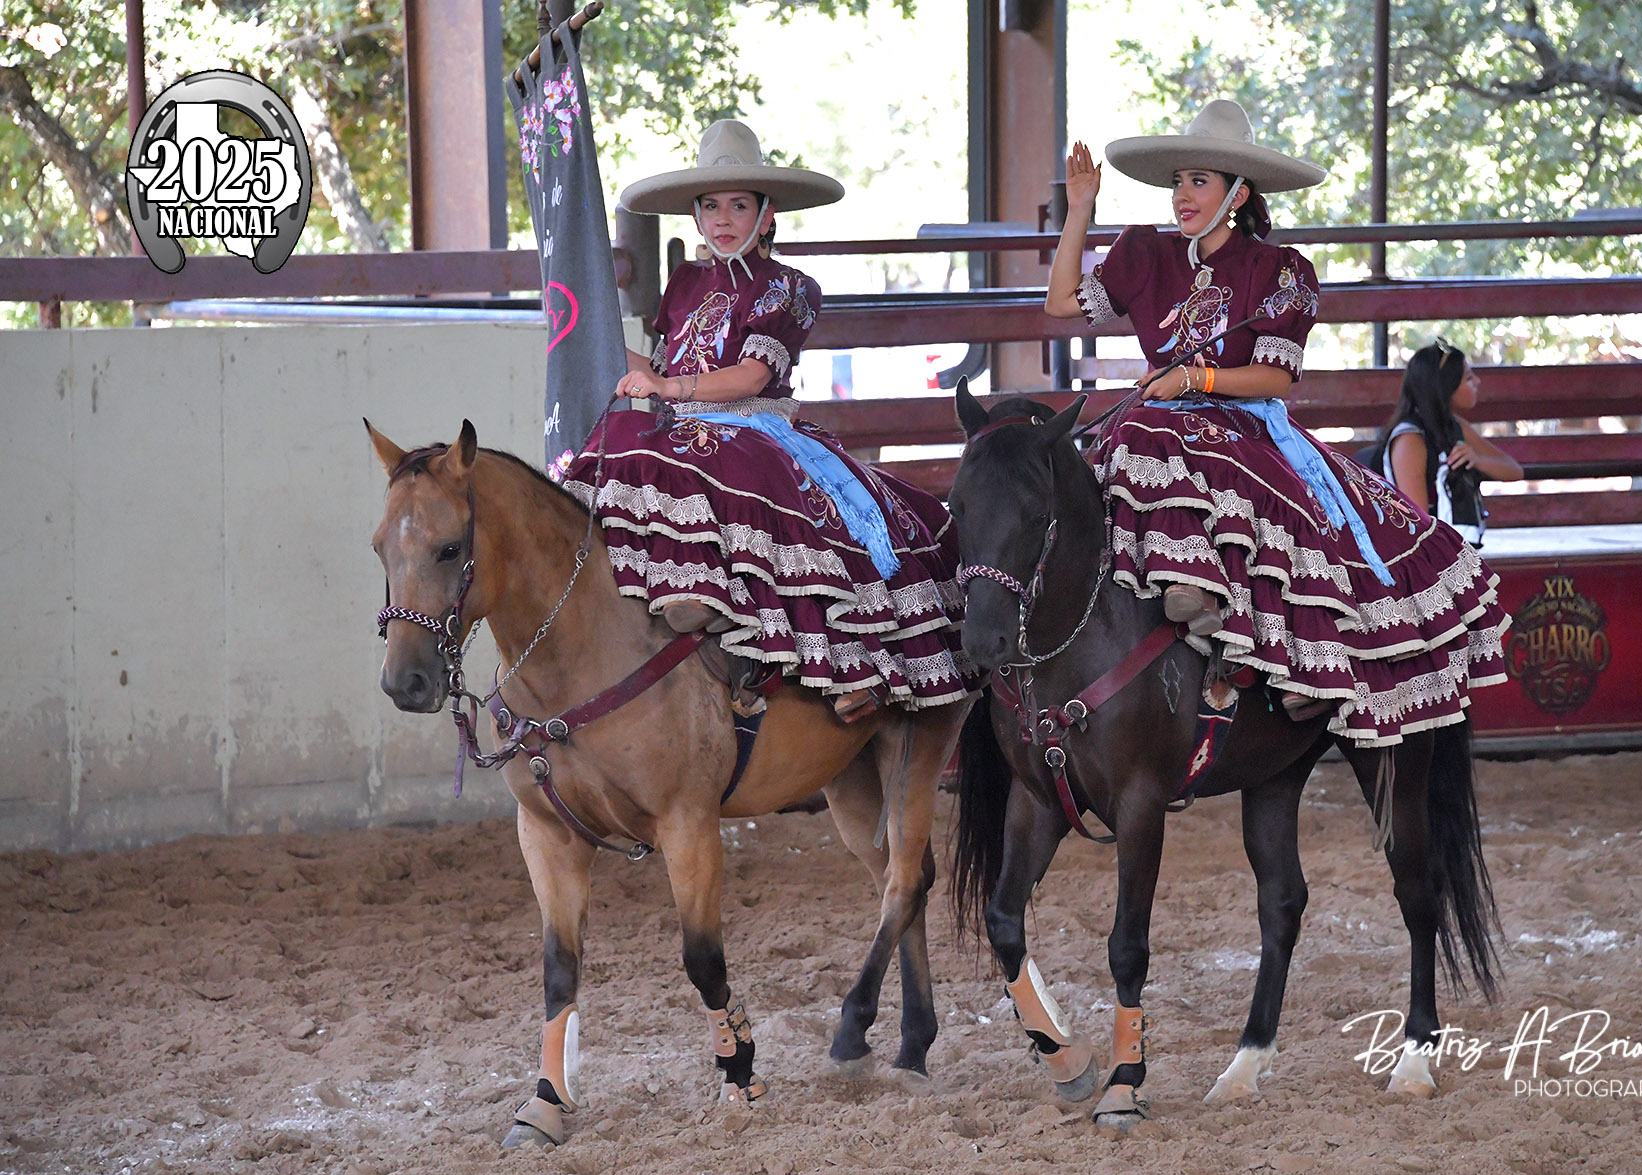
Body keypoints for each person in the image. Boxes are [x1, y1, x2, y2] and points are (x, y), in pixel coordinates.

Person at [1043, 99, 1509, 744]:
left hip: (1243, 424)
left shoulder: (1281, 270)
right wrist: (1080, 210)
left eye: (1198, 181)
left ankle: (1262, 650)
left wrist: (1193, 380)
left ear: (1237, 195)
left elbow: (1275, 378)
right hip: (1158, 422)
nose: (1182, 195)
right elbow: (1060, 303)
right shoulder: (1144, 251)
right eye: (1178, 181)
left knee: (1163, 444)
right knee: (1102, 456)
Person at [558, 119, 974, 722]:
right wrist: (592, 340)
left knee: (761, 489)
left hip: (754, 428)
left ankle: (839, 662)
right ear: (696, 216)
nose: (722, 218)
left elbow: (751, 377)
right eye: (710, 206)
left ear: (767, 214)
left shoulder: (790, 287)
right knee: (617, 439)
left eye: (738, 205)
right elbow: (664, 365)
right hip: (682, 428)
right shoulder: (684, 282)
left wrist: (665, 388)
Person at [1374, 338, 1523, 547]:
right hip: (1416, 551)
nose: (1477, 382)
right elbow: (1420, 527)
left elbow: (1514, 471)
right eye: (1468, 378)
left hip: (1447, 547)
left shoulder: (1454, 426)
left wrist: (1477, 460)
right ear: (1446, 386)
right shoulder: (1410, 440)